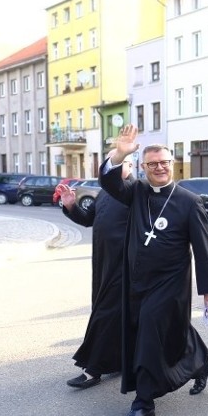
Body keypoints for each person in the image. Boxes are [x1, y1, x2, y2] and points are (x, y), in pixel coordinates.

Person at [100, 125, 208, 416]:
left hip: (171, 281)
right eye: (152, 164)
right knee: (167, 329)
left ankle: (144, 402)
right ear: (144, 167)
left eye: (164, 162)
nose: (159, 168)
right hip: (138, 280)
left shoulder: (189, 201)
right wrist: (120, 153)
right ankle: (202, 362)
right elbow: (110, 181)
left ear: (172, 164)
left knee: (151, 332)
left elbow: (203, 247)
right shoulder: (137, 192)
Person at [59, 155, 133, 389]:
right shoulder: (103, 193)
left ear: (130, 166)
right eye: (111, 161)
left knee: (105, 313)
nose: (114, 166)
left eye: (121, 162)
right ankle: (121, 360)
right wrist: (71, 205)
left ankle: (92, 368)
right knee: (114, 314)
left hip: (125, 264)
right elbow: (88, 219)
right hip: (103, 263)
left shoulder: (134, 191)